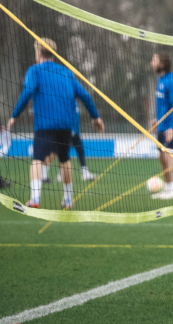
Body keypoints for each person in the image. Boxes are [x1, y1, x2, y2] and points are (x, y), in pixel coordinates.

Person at [8, 38, 104, 209]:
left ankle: (35, 199)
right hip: (66, 125)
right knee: (64, 160)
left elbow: (27, 92)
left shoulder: (34, 70)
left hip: (44, 125)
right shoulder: (67, 72)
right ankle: (68, 200)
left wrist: (14, 115)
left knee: (37, 159)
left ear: (38, 53)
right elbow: (85, 96)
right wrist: (95, 117)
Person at [149, 52, 173, 199]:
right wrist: (157, 120)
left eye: (154, 59)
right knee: (162, 157)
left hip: (170, 127)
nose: (152, 62)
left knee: (170, 156)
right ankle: (168, 188)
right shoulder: (160, 80)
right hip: (162, 126)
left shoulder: (172, 81)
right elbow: (164, 106)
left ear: (162, 63)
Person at [70, 101, 95, 182]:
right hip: (67, 132)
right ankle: (57, 173)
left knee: (80, 151)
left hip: (76, 133)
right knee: (60, 152)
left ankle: (85, 172)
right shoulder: (66, 101)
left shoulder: (76, 103)